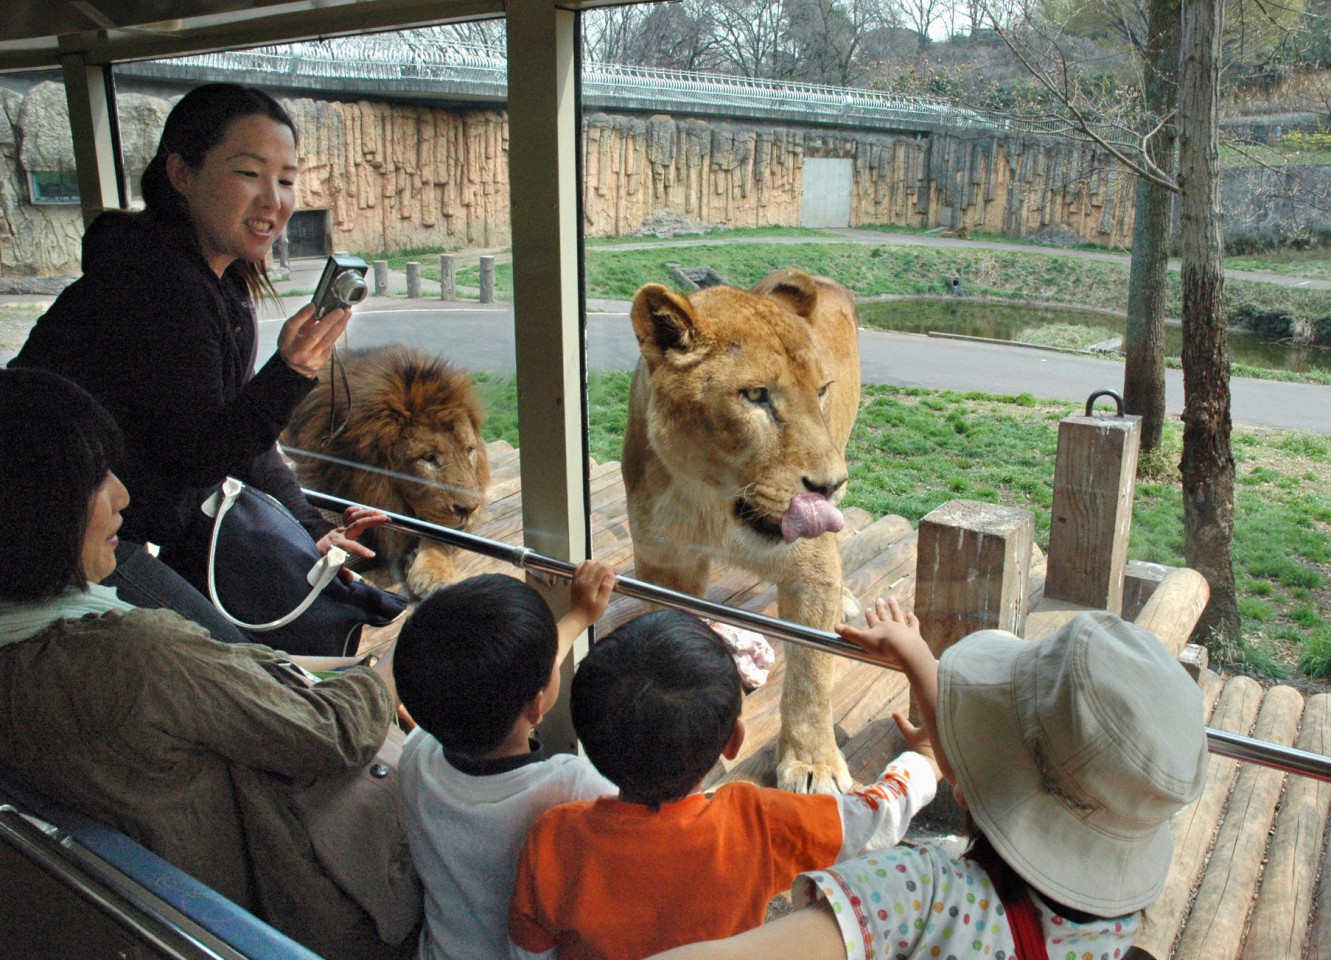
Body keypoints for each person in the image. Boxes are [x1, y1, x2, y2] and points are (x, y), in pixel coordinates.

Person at [0, 367, 405, 960]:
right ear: (32, 511)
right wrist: (388, 672)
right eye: (95, 480)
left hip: (131, 908)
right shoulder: (137, 655)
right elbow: (329, 734)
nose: (123, 496)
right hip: (251, 918)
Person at [643, 599, 1211, 960]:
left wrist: (923, 710)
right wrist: (917, 660)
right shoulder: (1115, 927)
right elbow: (988, 777)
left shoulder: (918, 894)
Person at [10, 82, 382, 603]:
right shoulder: (155, 285)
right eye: (249, 174)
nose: (273, 201)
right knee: (233, 667)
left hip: (112, 520)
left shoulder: (217, 282)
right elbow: (197, 459)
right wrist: (290, 373)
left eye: (287, 180)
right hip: (53, 533)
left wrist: (307, 523)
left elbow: (235, 436)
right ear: (183, 174)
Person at [506, 608, 940, 960]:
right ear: (734, 741)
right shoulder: (757, 823)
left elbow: (530, 945)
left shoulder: (554, 836)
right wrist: (924, 759)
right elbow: (874, 817)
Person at [392, 565, 619, 960]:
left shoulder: (417, 752)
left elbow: (512, 683)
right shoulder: (570, 787)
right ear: (535, 705)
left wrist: (578, 617)